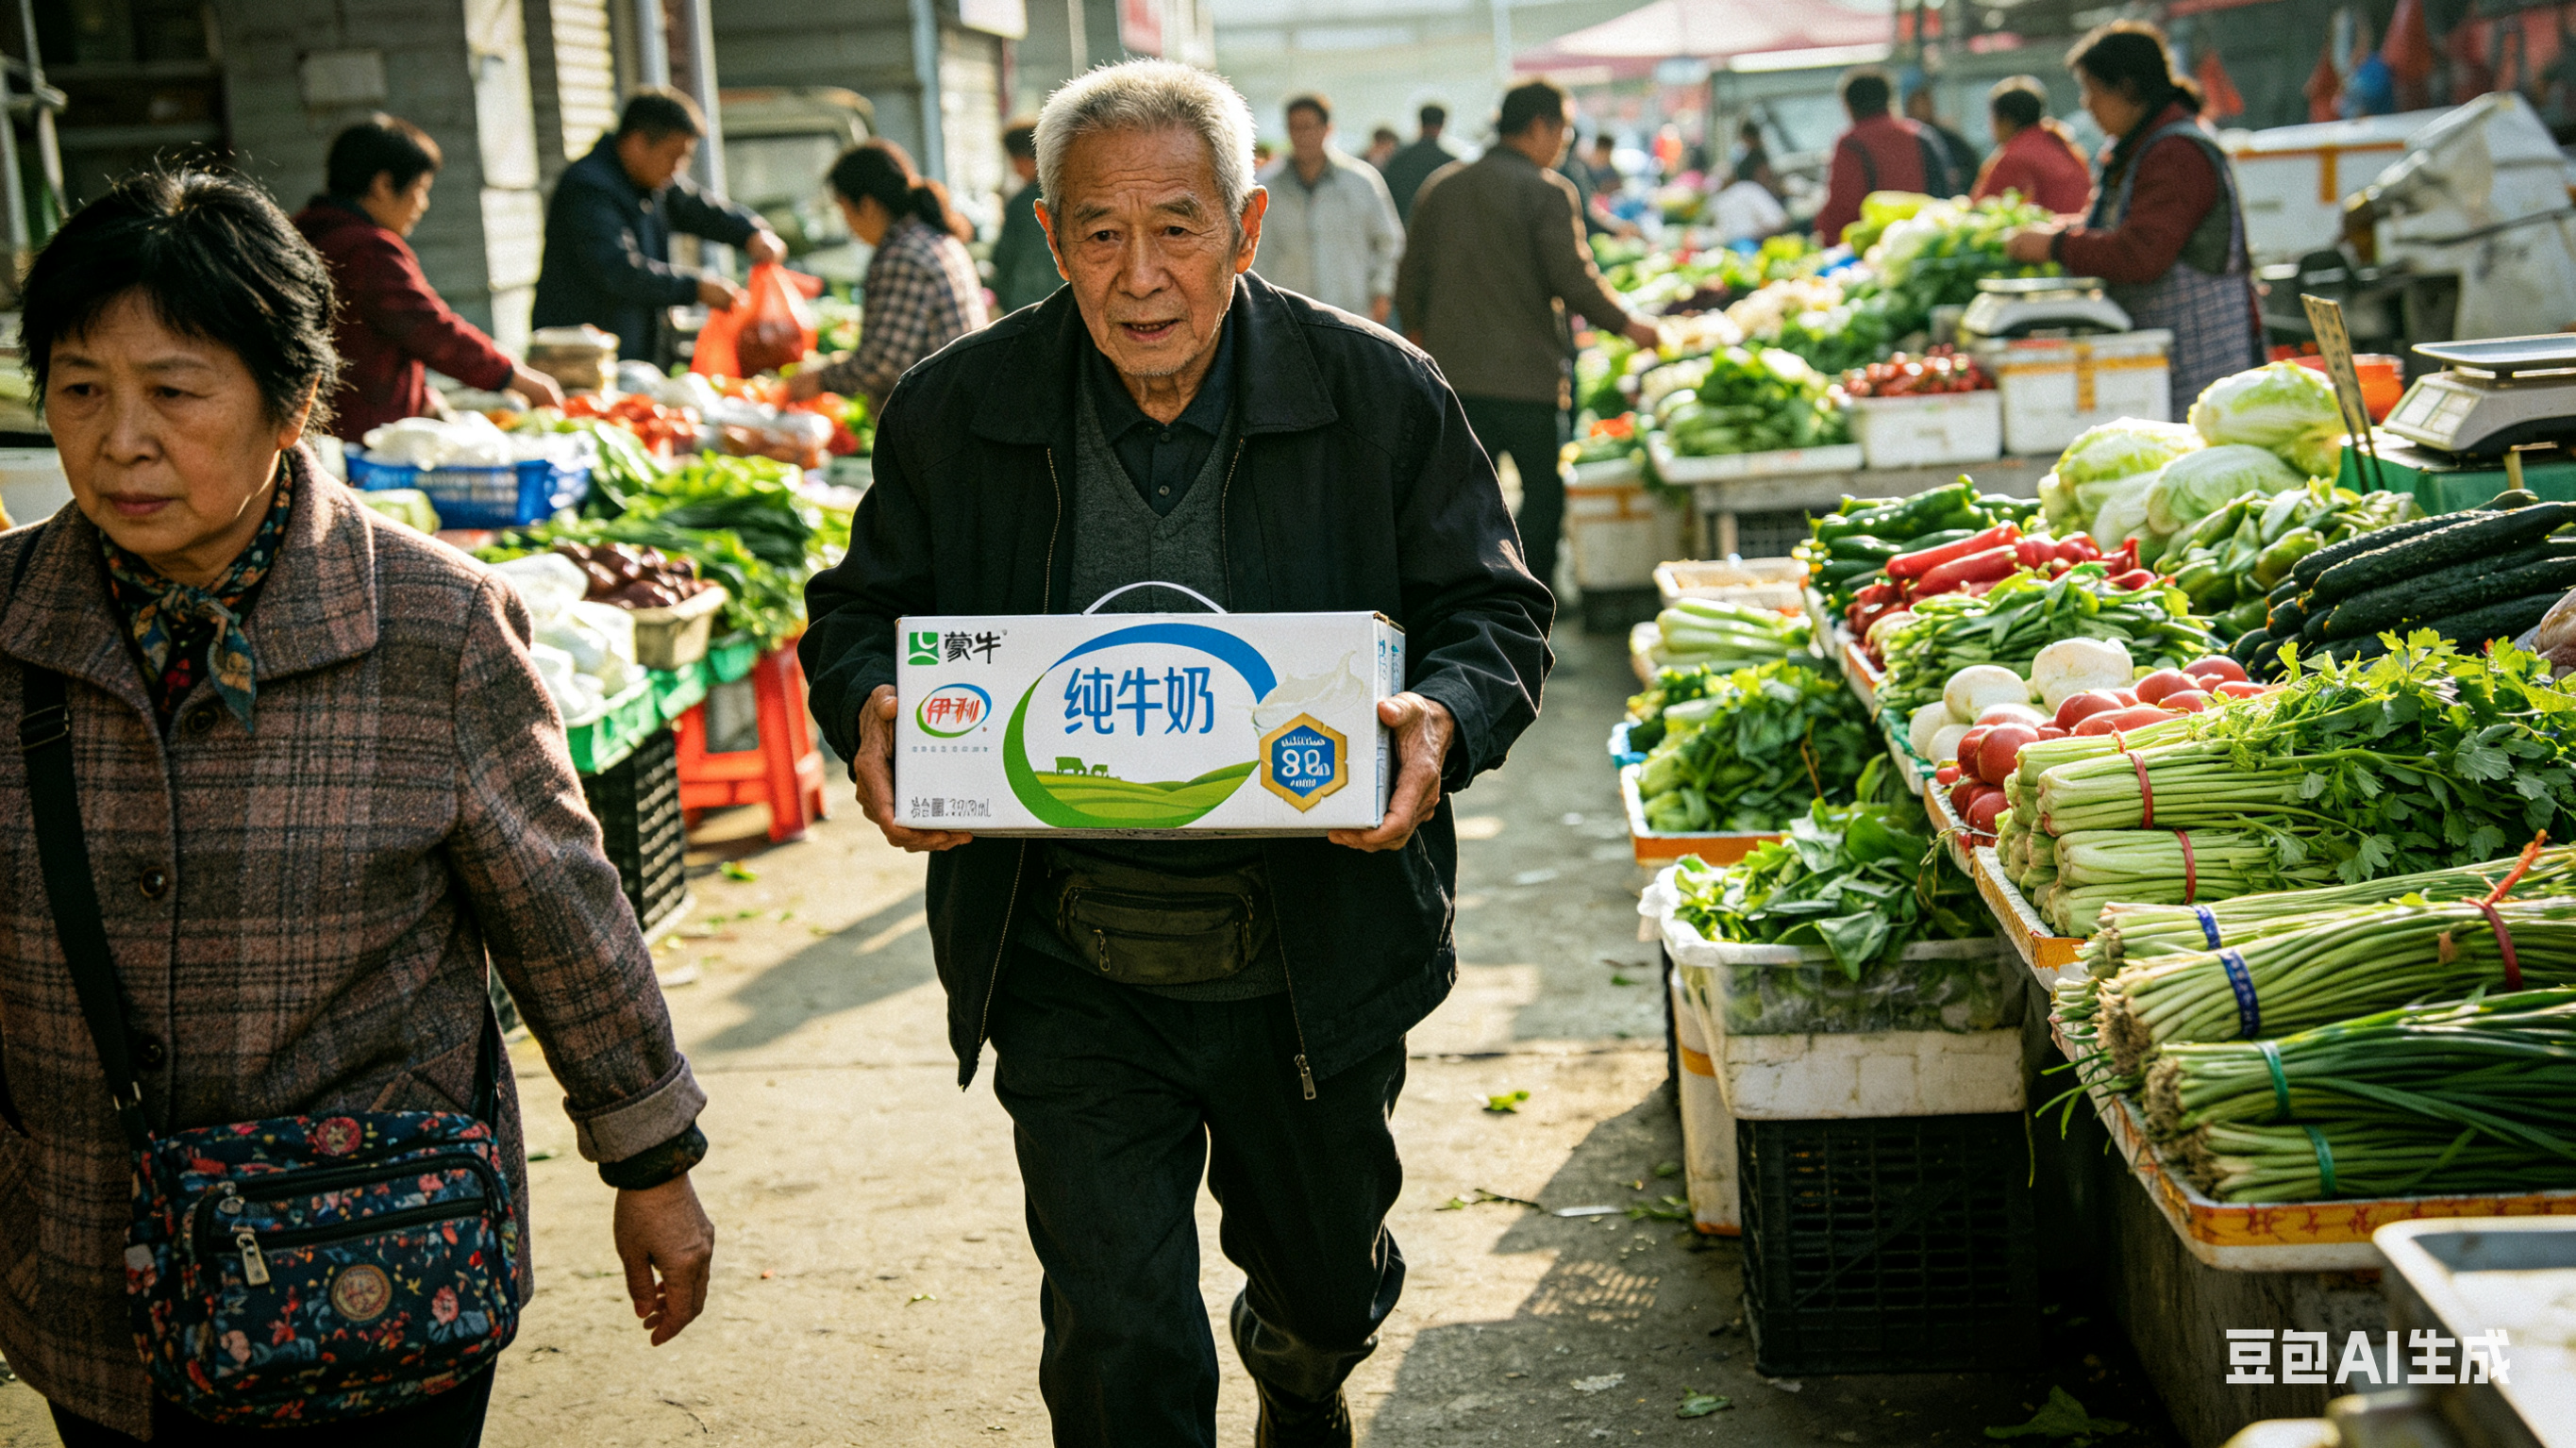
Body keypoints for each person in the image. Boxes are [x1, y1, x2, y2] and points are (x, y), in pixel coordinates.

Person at [798, 58, 1551, 1448]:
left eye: (1178, 228)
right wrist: (869, 707)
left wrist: (1441, 718)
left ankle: (1302, 1357)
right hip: (1068, 954)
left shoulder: (1375, 392)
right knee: (1117, 1327)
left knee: (1325, 1281)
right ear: (1050, 238)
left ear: (1247, 228)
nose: (1139, 276)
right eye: (1099, 232)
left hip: (1307, 950)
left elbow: (1492, 610)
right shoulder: (956, 409)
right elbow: (858, 611)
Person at [1, 167, 714, 1445]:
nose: (119, 440)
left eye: (172, 390)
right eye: (77, 387)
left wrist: (651, 1162)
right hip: (88, 1269)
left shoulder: (431, 623)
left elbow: (564, 914)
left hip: (370, 1261)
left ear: (292, 403)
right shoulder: (10, 622)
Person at [1395, 77, 1662, 592]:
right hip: (1528, 381)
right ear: (1540, 125)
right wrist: (1631, 326)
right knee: (1543, 498)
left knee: (1465, 503)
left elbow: (1410, 282)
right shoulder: (1546, 190)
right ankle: (1525, 602)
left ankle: (1472, 601)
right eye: (1563, 130)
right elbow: (1573, 278)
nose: (1565, 143)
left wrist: (1429, 351)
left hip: (1455, 382)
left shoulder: (1442, 187)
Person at [2003, 21, 2263, 408]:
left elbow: (2140, 254)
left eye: (2092, 90)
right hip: (2159, 343)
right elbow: (2114, 229)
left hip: (2196, 345)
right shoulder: (2137, 146)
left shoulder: (2176, 151)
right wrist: (2054, 234)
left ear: (2126, 88)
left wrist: (2055, 245)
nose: (2086, 104)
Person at [293, 115, 563, 442]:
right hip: (364, 436)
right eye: (420, 190)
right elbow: (434, 331)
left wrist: (423, 395)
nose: (422, 205)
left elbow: (370, 336)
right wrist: (517, 378)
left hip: (312, 427)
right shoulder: (369, 250)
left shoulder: (300, 234)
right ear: (382, 185)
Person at [530, 87, 786, 367]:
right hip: (583, 362)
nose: (677, 169)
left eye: (685, 158)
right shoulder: (589, 189)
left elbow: (697, 208)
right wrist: (696, 288)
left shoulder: (651, 180)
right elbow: (618, 269)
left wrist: (751, 233)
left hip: (636, 356)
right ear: (638, 143)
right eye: (673, 155)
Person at [784, 140, 989, 415]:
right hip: (959, 411)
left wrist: (820, 379)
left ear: (866, 205)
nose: (848, 224)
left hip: (935, 422)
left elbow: (883, 364)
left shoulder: (902, 255)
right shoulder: (933, 238)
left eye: (844, 209)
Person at [1253, 93, 1402, 322]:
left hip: (1354, 317)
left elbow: (1388, 242)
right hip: (1290, 319)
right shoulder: (1266, 187)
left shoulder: (1361, 182)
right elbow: (1257, 254)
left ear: (1327, 129)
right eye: (1295, 128)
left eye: (1308, 127)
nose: (1302, 136)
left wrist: (1382, 292)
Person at [1814, 67, 1961, 244]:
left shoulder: (1850, 143)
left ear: (1848, 105)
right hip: (1930, 243)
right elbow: (1946, 195)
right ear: (1890, 99)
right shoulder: (1922, 135)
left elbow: (1841, 210)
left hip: (1874, 250)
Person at [1972, 75, 2094, 213]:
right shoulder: (2061, 144)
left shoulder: (2015, 156)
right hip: (2080, 226)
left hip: (2051, 231)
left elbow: (1980, 209)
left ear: (2005, 120)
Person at [991, 118, 1059, 315]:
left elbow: (1003, 259)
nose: (1016, 169)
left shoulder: (1022, 203)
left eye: (1015, 161)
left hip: (1028, 308)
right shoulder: (1069, 195)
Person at [1380, 103, 1462, 224]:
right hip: (1436, 229)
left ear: (1420, 122)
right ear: (1443, 124)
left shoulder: (1398, 158)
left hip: (1403, 228)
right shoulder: (1451, 163)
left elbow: (1386, 196)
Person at [1906, 84, 1983, 191]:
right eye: (1918, 105)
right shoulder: (1906, 140)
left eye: (1926, 104)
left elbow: (1971, 168)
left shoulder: (1949, 138)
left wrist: (1959, 176)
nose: (1922, 109)